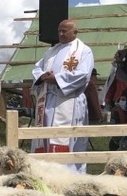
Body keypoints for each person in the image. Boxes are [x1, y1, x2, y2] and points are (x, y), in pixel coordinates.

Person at [31, 19, 94, 173]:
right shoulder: (51, 51)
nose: (60, 33)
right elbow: (37, 68)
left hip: (69, 101)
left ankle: (71, 175)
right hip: (47, 101)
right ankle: (45, 173)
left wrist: (57, 79)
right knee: (44, 138)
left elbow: (84, 74)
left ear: (75, 32)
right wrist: (44, 76)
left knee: (70, 140)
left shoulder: (84, 51)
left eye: (64, 31)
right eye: (59, 30)